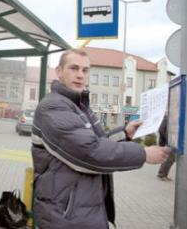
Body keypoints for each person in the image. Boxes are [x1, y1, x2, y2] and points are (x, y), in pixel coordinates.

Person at [31, 49, 171, 229]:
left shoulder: (78, 105)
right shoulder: (53, 106)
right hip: (65, 213)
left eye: (85, 70)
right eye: (74, 68)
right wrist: (143, 154)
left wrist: (125, 134)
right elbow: (89, 152)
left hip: (80, 207)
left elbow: (98, 141)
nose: (80, 75)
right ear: (59, 72)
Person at [157, 115, 176, 181]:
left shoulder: (170, 119)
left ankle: (163, 174)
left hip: (171, 142)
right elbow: (161, 130)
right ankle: (162, 175)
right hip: (167, 143)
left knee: (170, 159)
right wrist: (168, 139)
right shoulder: (166, 119)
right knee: (169, 159)